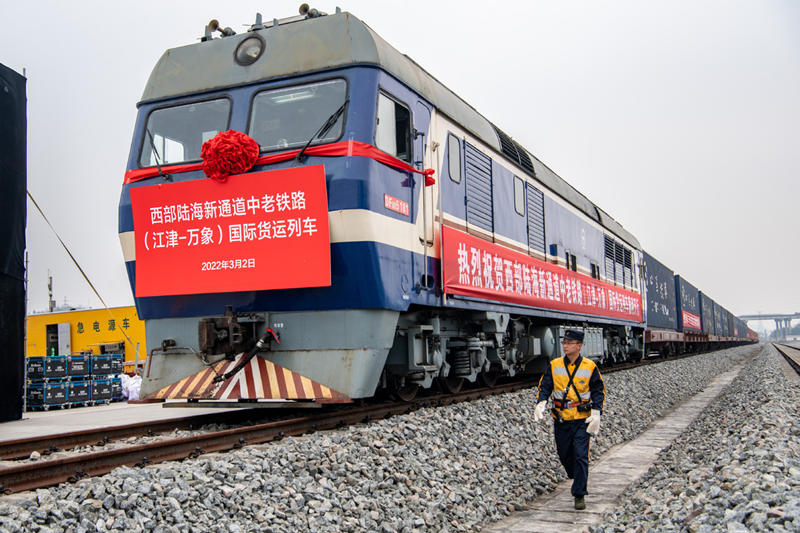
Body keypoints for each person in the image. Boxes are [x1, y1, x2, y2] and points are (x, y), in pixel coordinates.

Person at [533, 329, 605, 510]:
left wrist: (596, 413)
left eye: (569, 343)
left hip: (582, 420)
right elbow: (545, 385)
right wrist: (541, 402)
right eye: (564, 343)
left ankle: (579, 494)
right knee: (564, 454)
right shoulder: (555, 365)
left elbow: (598, 391)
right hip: (562, 420)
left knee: (581, 456)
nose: (565, 346)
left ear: (579, 346)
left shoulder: (590, 367)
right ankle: (576, 476)